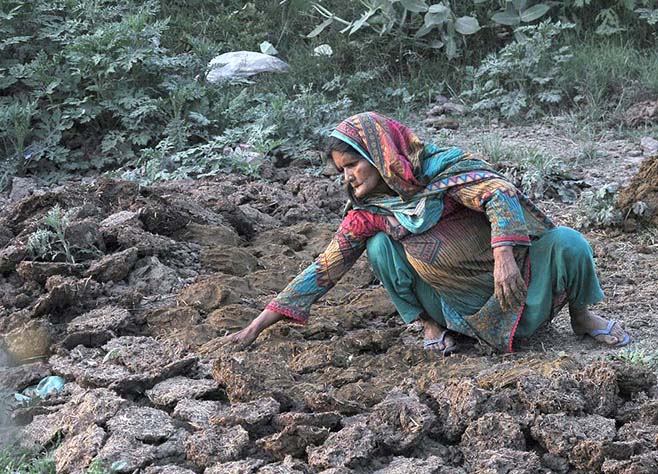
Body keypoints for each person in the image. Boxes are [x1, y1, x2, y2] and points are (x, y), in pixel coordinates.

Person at [226, 111, 629, 354]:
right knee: (380, 246)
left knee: (570, 242)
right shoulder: (370, 212)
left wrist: (505, 255)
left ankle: (582, 317)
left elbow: (498, 192)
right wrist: (256, 326)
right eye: (341, 171)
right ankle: (430, 327)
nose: (348, 178)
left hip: (518, 286)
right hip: (454, 307)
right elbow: (323, 269)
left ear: (379, 154)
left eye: (352, 165)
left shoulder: (442, 169)